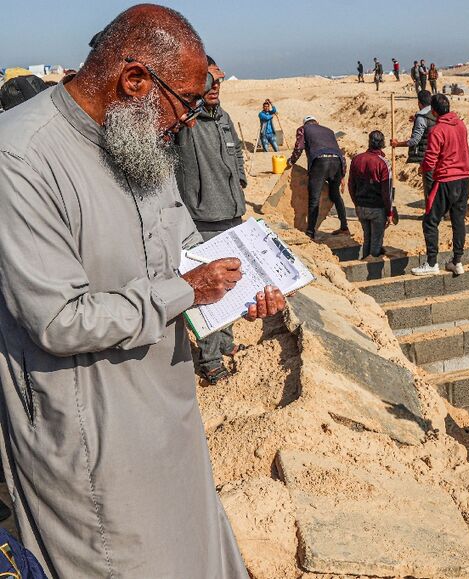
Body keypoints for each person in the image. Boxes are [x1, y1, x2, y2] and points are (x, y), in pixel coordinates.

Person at [0, 5, 287, 575]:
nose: (187, 122)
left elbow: (182, 252)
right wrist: (185, 291)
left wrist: (239, 291)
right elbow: (59, 319)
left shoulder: (138, 141)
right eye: (185, 104)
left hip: (169, 410)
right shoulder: (20, 158)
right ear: (135, 81)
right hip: (92, 438)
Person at [174, 56, 249, 384]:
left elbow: (236, 153)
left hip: (232, 213)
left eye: (218, 81)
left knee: (231, 286)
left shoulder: (224, 117)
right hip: (203, 219)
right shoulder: (185, 122)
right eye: (207, 81)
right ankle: (209, 359)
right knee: (210, 291)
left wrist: (240, 180)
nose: (214, 87)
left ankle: (226, 343)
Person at [411, 94, 469, 276]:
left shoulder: (437, 130)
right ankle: (457, 261)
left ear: (434, 111)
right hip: (464, 178)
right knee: (458, 220)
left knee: (430, 221)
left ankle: (431, 263)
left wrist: (424, 169)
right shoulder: (461, 124)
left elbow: (430, 158)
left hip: (445, 180)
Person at [289, 115, 350, 238]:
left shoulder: (303, 129)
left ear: (305, 123)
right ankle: (344, 227)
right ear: (317, 122)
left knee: (314, 198)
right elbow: (338, 152)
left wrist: (291, 161)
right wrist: (342, 174)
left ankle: (310, 232)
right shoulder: (329, 131)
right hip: (337, 162)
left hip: (320, 162)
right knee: (336, 195)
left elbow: (299, 147)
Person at [349, 131, 393, 258]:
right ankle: (371, 267)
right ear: (383, 143)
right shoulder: (383, 163)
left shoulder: (357, 159)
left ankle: (365, 260)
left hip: (360, 206)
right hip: (377, 208)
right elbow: (387, 191)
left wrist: (356, 203)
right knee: (376, 242)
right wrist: (389, 212)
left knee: (367, 238)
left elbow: (351, 184)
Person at [391, 89, 436, 196]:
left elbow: (415, 140)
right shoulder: (436, 112)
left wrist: (397, 144)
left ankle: (431, 212)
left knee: (429, 187)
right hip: (438, 154)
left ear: (419, 103)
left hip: (427, 156)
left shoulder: (421, 118)